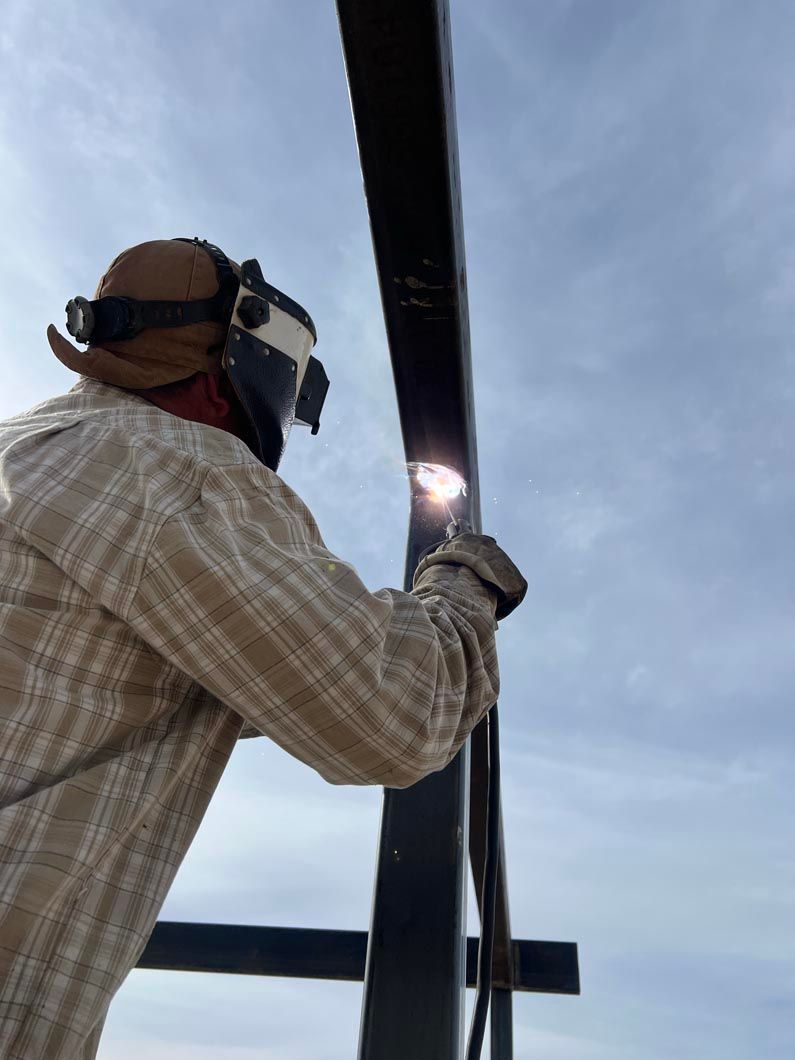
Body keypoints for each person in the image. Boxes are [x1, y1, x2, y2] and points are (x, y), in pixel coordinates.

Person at [0, 238, 526, 1059]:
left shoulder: (24, 453)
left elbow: (161, 675)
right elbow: (394, 708)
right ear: (233, 364)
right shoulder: (177, 466)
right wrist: (464, 584)